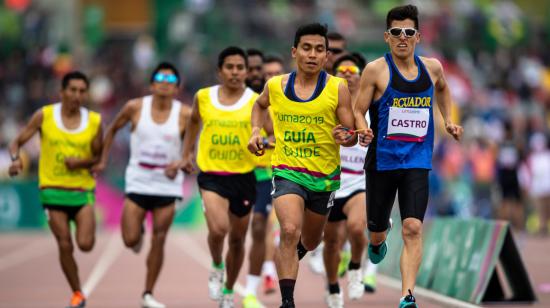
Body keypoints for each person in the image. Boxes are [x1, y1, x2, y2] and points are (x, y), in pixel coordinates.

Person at [248, 23, 369, 308]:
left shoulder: (337, 88)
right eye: (306, 48)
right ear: (294, 52)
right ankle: (287, 301)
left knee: (312, 241)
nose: (312, 55)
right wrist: (256, 131)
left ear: (327, 55)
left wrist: (347, 136)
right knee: (289, 229)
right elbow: (259, 106)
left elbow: (349, 136)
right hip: (287, 171)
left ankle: (295, 252)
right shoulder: (276, 85)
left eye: (319, 49)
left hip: (324, 177)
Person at [352, 5, 463, 307]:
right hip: (382, 161)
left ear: (419, 37)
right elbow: (357, 110)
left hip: (417, 160)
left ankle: (407, 295)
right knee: (375, 235)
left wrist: (448, 119)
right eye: (397, 32)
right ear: (387, 37)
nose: (403, 37)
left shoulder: (432, 67)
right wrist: (362, 129)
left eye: (409, 32)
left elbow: (442, 89)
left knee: (413, 227)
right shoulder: (376, 70)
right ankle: (379, 233)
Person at [92, 62, 190, 308]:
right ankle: (136, 237)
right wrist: (103, 159)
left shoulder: (185, 114)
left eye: (170, 80)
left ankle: (148, 293)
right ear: (151, 84)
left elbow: (195, 145)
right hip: (138, 181)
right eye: (160, 78)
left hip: (167, 185)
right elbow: (112, 128)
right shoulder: (135, 108)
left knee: (159, 238)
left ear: (177, 87)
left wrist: (184, 161)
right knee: (129, 238)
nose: (165, 83)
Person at [9, 71, 102, 308]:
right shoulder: (45, 116)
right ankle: (77, 292)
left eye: (82, 91)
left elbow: (98, 157)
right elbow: (17, 141)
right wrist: (15, 159)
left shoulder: (94, 121)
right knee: (64, 243)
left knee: (86, 244)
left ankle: (78, 287)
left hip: (81, 191)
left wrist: (80, 163)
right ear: (62, 92)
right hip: (52, 190)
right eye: (72, 90)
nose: (77, 95)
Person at [180, 46, 260, 308]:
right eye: (230, 67)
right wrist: (186, 154)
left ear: (246, 71)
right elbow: (193, 122)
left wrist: (261, 140)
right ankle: (216, 265)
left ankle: (228, 292)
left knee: (237, 240)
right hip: (212, 175)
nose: (235, 72)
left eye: (240, 68)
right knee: (218, 229)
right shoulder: (203, 97)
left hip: (244, 177)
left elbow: (268, 130)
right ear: (219, 71)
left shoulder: (255, 100)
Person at [323, 54, 368, 308]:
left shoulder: (371, 106)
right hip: (331, 182)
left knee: (355, 228)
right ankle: (332, 286)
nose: (347, 73)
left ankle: (354, 266)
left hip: (358, 182)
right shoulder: (328, 106)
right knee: (330, 242)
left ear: (361, 74)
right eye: (341, 70)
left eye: (352, 69)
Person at [243, 48, 277, 308]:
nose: (256, 75)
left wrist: (263, 140)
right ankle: (221, 266)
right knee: (231, 231)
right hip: (234, 174)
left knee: (262, 224)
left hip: (266, 172)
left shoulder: (271, 101)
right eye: (253, 71)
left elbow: (276, 137)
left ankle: (266, 272)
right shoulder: (235, 101)